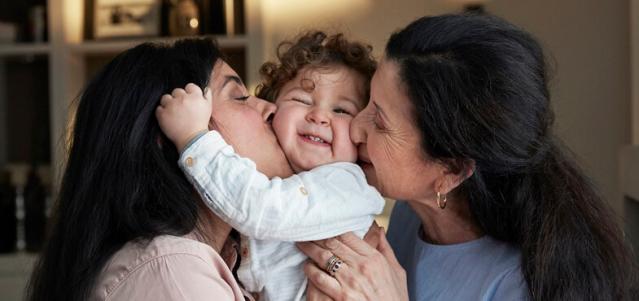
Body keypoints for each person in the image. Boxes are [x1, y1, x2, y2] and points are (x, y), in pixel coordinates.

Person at [297, 14, 638, 300]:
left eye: (381, 123)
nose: (355, 127)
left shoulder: (518, 286)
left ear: (453, 170)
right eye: (369, 102)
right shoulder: (408, 214)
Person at [26, 38, 293, 300]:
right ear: (169, 137)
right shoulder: (175, 274)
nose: (270, 109)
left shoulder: (236, 260)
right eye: (239, 97)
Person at [156, 31, 383, 301]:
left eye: (342, 111)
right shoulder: (277, 186)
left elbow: (260, 209)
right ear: (274, 112)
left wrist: (193, 139)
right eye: (301, 100)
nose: (320, 116)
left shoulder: (345, 183)